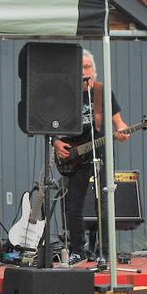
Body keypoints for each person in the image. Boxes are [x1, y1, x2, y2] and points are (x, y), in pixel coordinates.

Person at [52, 49, 130, 267]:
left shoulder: (102, 92)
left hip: (101, 152)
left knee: (104, 204)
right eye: (81, 69)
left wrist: (123, 131)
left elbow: (119, 122)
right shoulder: (65, 94)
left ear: (93, 71)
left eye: (88, 68)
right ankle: (78, 250)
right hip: (74, 155)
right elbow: (53, 128)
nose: (85, 72)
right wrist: (56, 143)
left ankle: (104, 253)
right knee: (73, 205)